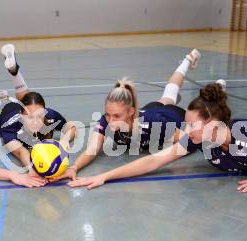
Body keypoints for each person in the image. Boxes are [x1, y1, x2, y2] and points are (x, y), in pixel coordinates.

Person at [69, 83, 247, 194]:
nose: (187, 131)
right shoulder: (200, 138)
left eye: (192, 125)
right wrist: (103, 176)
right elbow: (154, 161)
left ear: (213, 123)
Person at [52, 49, 202, 182]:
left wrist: (167, 154)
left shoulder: (155, 125)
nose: (110, 120)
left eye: (116, 116)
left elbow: (187, 141)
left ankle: (212, 84)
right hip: (151, 109)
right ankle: (188, 60)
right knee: (168, 95)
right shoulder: (106, 120)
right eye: (108, 114)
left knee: (170, 97)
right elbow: (91, 149)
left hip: (171, 116)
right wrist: (74, 167)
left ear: (130, 112)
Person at [0, 44, 76, 176]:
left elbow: (72, 127)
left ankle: (14, 72)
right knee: (8, 103)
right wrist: (31, 169)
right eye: (29, 118)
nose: (35, 122)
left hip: (25, 109)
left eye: (39, 116)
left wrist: (63, 142)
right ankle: (5, 98)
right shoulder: (10, 128)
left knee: (28, 101)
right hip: (8, 111)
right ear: (21, 116)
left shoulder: (50, 115)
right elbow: (20, 152)